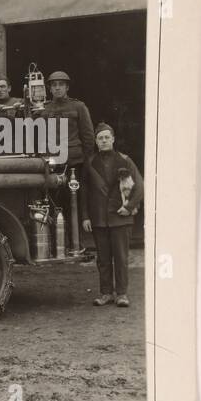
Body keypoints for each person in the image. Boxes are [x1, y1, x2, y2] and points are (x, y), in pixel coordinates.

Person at [78, 123, 143, 308]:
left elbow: (140, 186)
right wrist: (85, 216)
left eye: (107, 137)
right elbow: (84, 191)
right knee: (103, 259)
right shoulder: (90, 163)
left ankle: (122, 294)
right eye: (100, 138)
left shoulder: (125, 160)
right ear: (96, 142)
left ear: (113, 139)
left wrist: (129, 207)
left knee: (121, 258)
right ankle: (105, 293)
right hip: (99, 219)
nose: (104, 140)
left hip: (121, 218)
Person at [43, 70, 97, 251]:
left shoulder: (78, 107)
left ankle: (78, 243)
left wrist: (87, 161)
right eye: (53, 85)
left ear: (67, 87)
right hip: (53, 163)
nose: (57, 88)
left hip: (74, 162)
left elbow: (88, 137)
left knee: (77, 201)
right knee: (55, 203)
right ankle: (59, 245)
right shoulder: (44, 109)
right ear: (49, 88)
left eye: (61, 85)